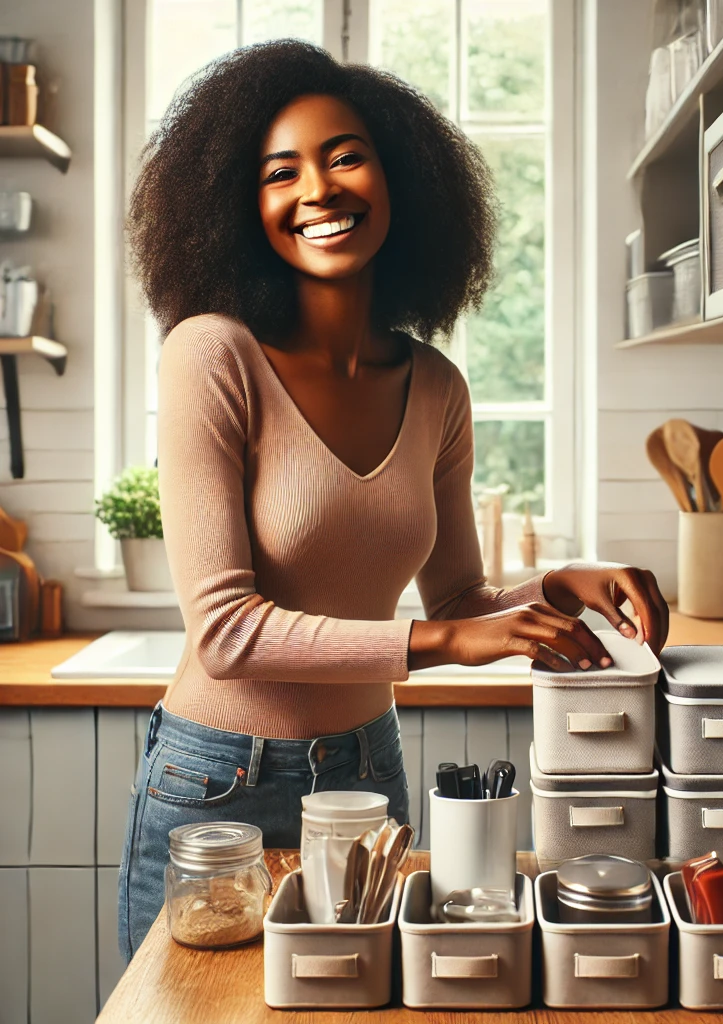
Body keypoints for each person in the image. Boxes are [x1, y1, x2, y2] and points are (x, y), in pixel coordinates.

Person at [117, 39, 670, 961]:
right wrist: (442, 642)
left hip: (369, 769)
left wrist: (562, 587)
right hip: (219, 785)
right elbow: (225, 628)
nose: (318, 190)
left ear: (400, 177)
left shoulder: (439, 388)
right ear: (239, 206)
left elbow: (460, 602)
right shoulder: (213, 355)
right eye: (279, 172)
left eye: (344, 155)